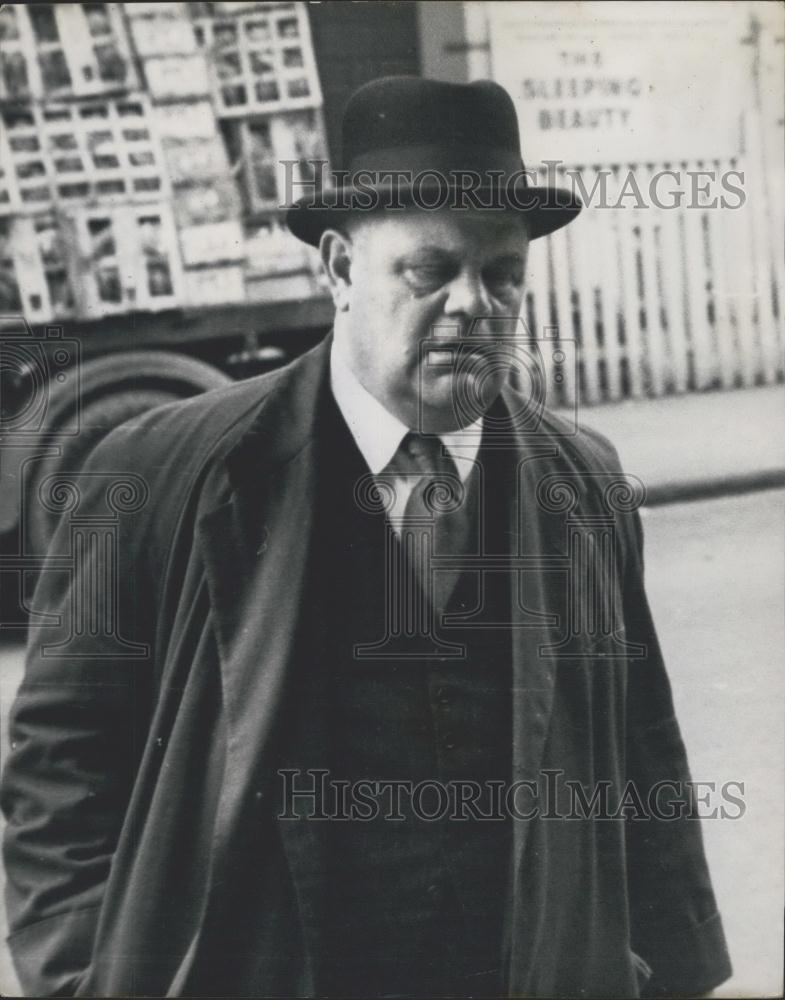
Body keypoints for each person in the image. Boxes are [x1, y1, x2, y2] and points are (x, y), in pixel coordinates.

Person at [1, 77, 732, 998]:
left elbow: (639, 752)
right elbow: (60, 768)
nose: (475, 304)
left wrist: (674, 974)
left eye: (502, 274)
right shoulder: (153, 473)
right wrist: (81, 979)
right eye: (431, 270)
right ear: (340, 270)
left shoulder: (582, 483)